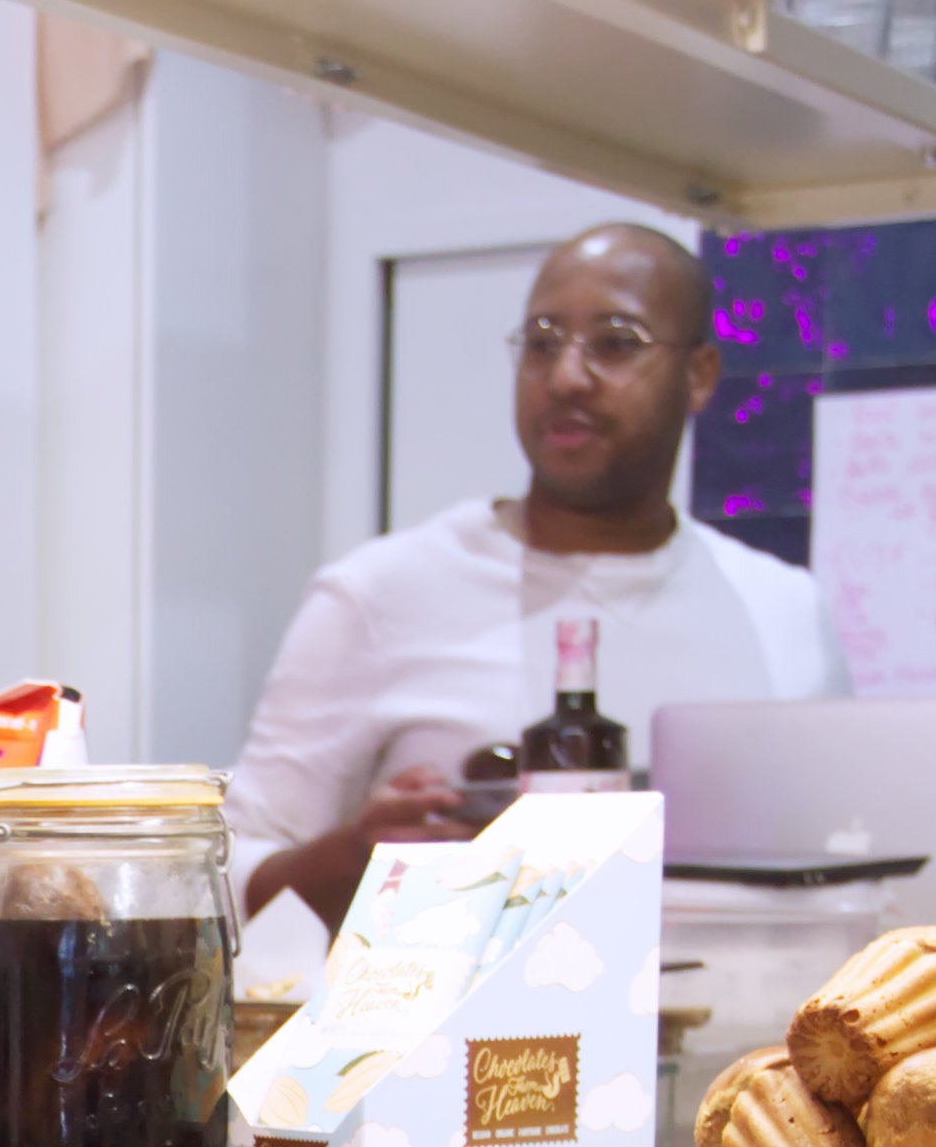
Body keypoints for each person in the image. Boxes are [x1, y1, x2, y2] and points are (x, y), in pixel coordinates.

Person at [229, 220, 845, 925]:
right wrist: (351, 864)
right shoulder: (379, 594)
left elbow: (852, 864)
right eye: (542, 343)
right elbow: (225, 879)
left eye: (616, 343)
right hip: (452, 998)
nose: (566, 377)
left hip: (744, 998)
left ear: (700, 375)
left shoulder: (784, 611)